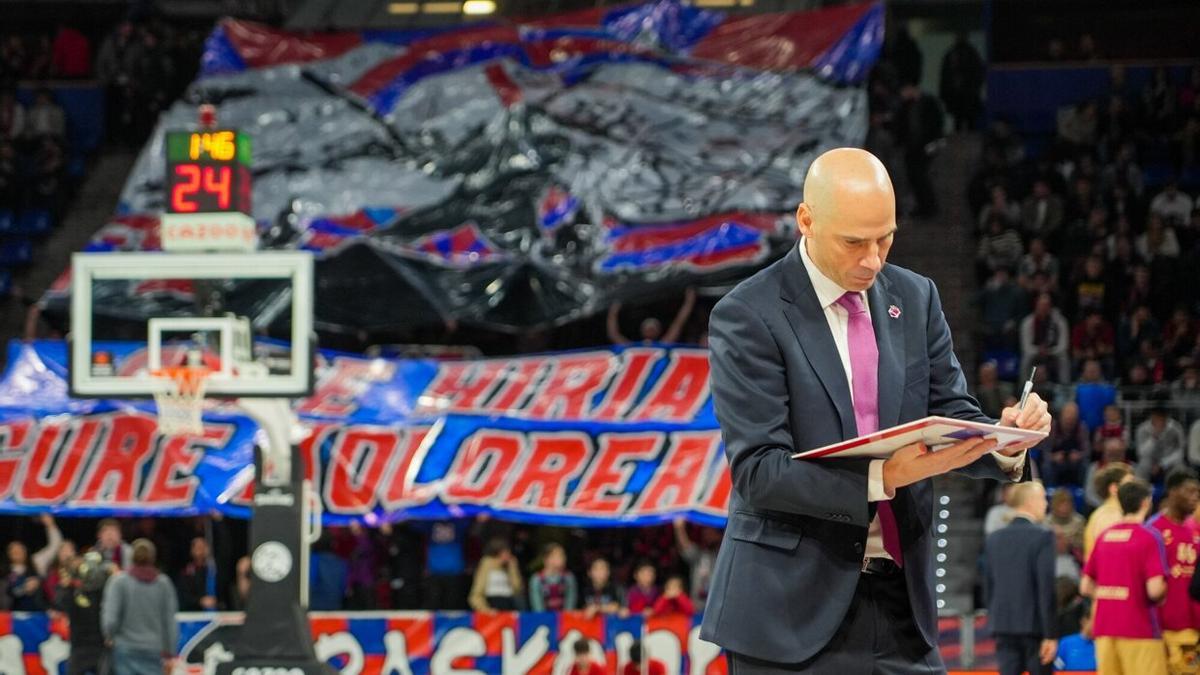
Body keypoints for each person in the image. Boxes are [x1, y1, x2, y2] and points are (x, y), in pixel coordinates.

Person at [700, 148, 1050, 672]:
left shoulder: (915, 297)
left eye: (885, 237)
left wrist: (1004, 439)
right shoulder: (748, 314)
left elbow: (951, 409)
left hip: (901, 605)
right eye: (854, 242)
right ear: (806, 222)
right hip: (787, 612)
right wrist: (882, 477)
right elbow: (759, 471)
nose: (873, 259)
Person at [1080, 479, 1169, 675]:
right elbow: (1154, 590)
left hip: (1105, 628)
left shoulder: (1104, 536)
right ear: (1146, 502)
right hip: (1138, 627)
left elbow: (1085, 586)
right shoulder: (1149, 536)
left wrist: (1110, 593)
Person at [983, 481, 1057, 675]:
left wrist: (994, 621)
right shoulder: (1043, 537)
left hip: (1003, 625)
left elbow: (988, 587)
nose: (1045, 504)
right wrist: (1050, 634)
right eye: (1042, 498)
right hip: (1035, 629)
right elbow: (1045, 587)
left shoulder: (994, 538)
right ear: (1030, 501)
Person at [1146, 468, 1200, 675]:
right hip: (1161, 628)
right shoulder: (1154, 530)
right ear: (1173, 492)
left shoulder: (1195, 531)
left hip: (1191, 627)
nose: (1195, 497)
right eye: (1190, 492)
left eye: (1198, 493)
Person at [102, 539, 179, 675]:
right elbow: (170, 621)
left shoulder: (119, 582)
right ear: (153, 558)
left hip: (125, 648)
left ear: (131, 557)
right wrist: (170, 653)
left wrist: (110, 636)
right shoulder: (164, 584)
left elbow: (110, 620)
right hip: (154, 649)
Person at [56, 551, 114, 675]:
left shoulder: (99, 589)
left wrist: (109, 573)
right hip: (79, 645)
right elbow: (60, 604)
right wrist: (65, 586)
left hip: (99, 645)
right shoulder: (70, 590)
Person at [607, 287, 696, 345]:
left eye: (653, 328)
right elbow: (614, 334)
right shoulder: (633, 348)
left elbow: (678, 323)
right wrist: (613, 311)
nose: (650, 330)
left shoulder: (663, 345)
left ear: (658, 332)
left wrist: (689, 301)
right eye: (648, 328)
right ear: (642, 331)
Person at [1083, 462, 1134, 561]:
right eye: (1129, 485)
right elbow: (1112, 558)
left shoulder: (1116, 513)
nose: (1134, 490)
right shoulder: (1109, 517)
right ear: (1114, 489)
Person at [673, 517, 719, 606]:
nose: (707, 535)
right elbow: (685, 547)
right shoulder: (699, 554)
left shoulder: (725, 553)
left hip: (716, 606)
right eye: (705, 532)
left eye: (710, 532)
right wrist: (679, 528)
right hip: (697, 605)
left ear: (719, 535)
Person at [468, 537, 523, 611]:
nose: (509, 555)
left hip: (509, 606)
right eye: (506, 552)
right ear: (498, 552)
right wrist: (485, 610)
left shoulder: (509, 567)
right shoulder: (486, 564)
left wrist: (513, 568)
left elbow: (517, 589)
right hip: (492, 607)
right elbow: (476, 594)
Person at [1135, 406, 1187, 482]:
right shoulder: (1142, 429)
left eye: (1162, 418)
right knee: (1142, 467)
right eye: (1157, 417)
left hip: (1169, 460)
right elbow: (1141, 453)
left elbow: (1180, 452)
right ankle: (1141, 490)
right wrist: (1154, 438)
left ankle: (1174, 490)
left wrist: (1162, 464)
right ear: (1152, 417)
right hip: (1150, 461)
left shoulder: (1175, 428)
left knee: (1180, 468)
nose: (1159, 421)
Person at [528, 543, 577, 611]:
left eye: (563, 555)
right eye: (559, 555)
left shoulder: (569, 577)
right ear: (547, 559)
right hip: (544, 620)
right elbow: (538, 608)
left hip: (565, 618)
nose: (564, 558)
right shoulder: (536, 579)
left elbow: (570, 606)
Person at [175, 536, 217, 611]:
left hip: (217, 611)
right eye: (198, 547)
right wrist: (200, 601)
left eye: (203, 547)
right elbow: (183, 596)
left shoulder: (214, 569)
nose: (201, 550)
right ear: (192, 550)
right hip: (194, 612)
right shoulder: (186, 573)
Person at [1044, 489, 1085, 557]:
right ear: (1054, 505)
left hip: (1073, 558)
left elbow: (1082, 544)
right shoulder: (1045, 523)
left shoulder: (1079, 522)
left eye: (1067, 504)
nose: (1064, 508)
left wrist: (1068, 542)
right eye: (1061, 505)